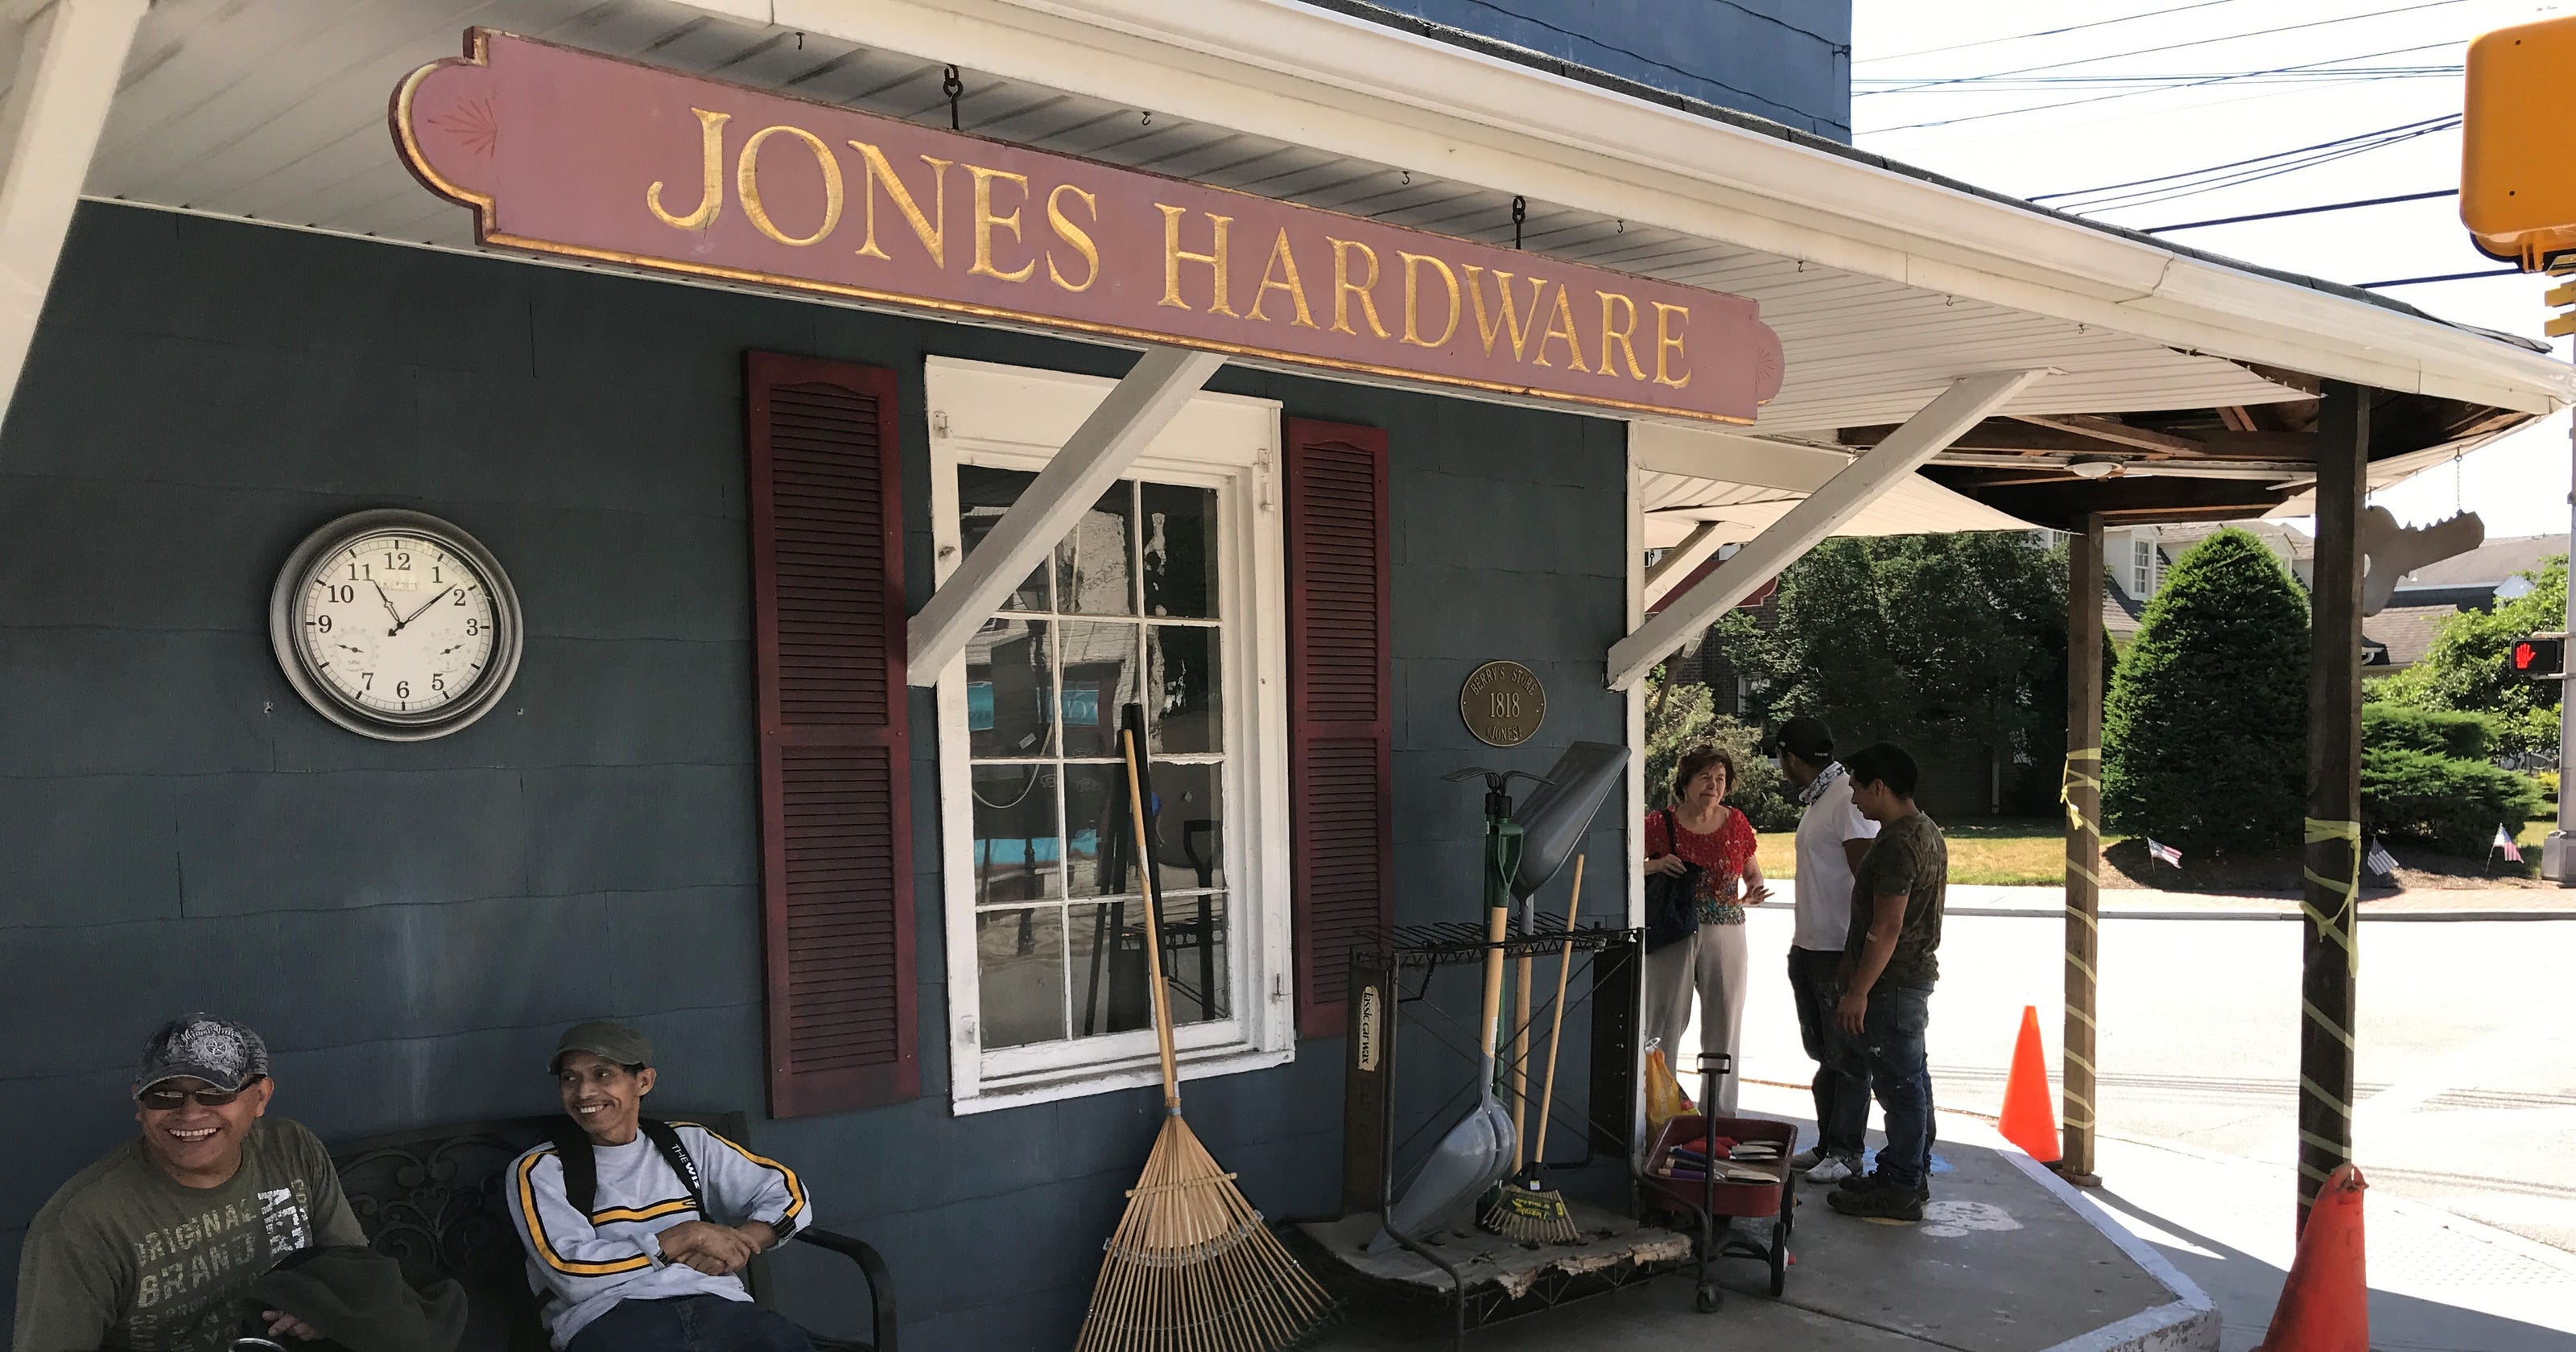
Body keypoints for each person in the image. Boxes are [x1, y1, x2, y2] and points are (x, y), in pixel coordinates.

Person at [13, 1013, 367, 1352]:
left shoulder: (292, 1148)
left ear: (260, 1097)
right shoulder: (81, 1227)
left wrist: (325, 1309)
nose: (190, 1113)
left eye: (215, 1092)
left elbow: (354, 1264)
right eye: (164, 1095)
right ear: (139, 1103)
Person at [508, 1020, 816, 1352]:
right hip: (611, 1318)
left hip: (719, 1307)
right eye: (570, 1078)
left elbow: (789, 1194)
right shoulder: (542, 1169)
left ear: (643, 1081)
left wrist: (738, 1245)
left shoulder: (686, 1143)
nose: (584, 1092)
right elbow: (572, 1274)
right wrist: (688, 1236)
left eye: (603, 1075)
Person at [1827, 744, 1948, 1222]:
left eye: (1858, 787)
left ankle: (1898, 1185)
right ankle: (1909, 1173)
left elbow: (1888, 925)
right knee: (1912, 1078)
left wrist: (1858, 990)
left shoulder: (1898, 842)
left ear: (1879, 787)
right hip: (1908, 982)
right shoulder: (1925, 830)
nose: (1854, 798)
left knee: (1899, 1087)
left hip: (1892, 984)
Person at [1774, 716, 1879, 1185]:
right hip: (1811, 945)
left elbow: (1868, 879)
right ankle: (1827, 1144)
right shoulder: (1823, 798)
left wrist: (1857, 961)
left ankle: (1847, 1152)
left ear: (1790, 758)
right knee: (1825, 1056)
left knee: (1848, 1059)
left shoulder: (1844, 801)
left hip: (1838, 951)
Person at [1641, 744, 1773, 1115]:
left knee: (1724, 1023)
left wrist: (1755, 886)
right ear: (1685, 782)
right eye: (1705, 777)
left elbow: (1750, 866)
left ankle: (1719, 1115)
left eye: (1720, 779)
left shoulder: (1736, 822)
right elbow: (1626, 864)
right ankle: (1658, 1110)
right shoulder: (1658, 824)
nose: (1713, 786)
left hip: (1727, 930)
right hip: (1674, 932)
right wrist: (1655, 866)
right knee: (1662, 1022)